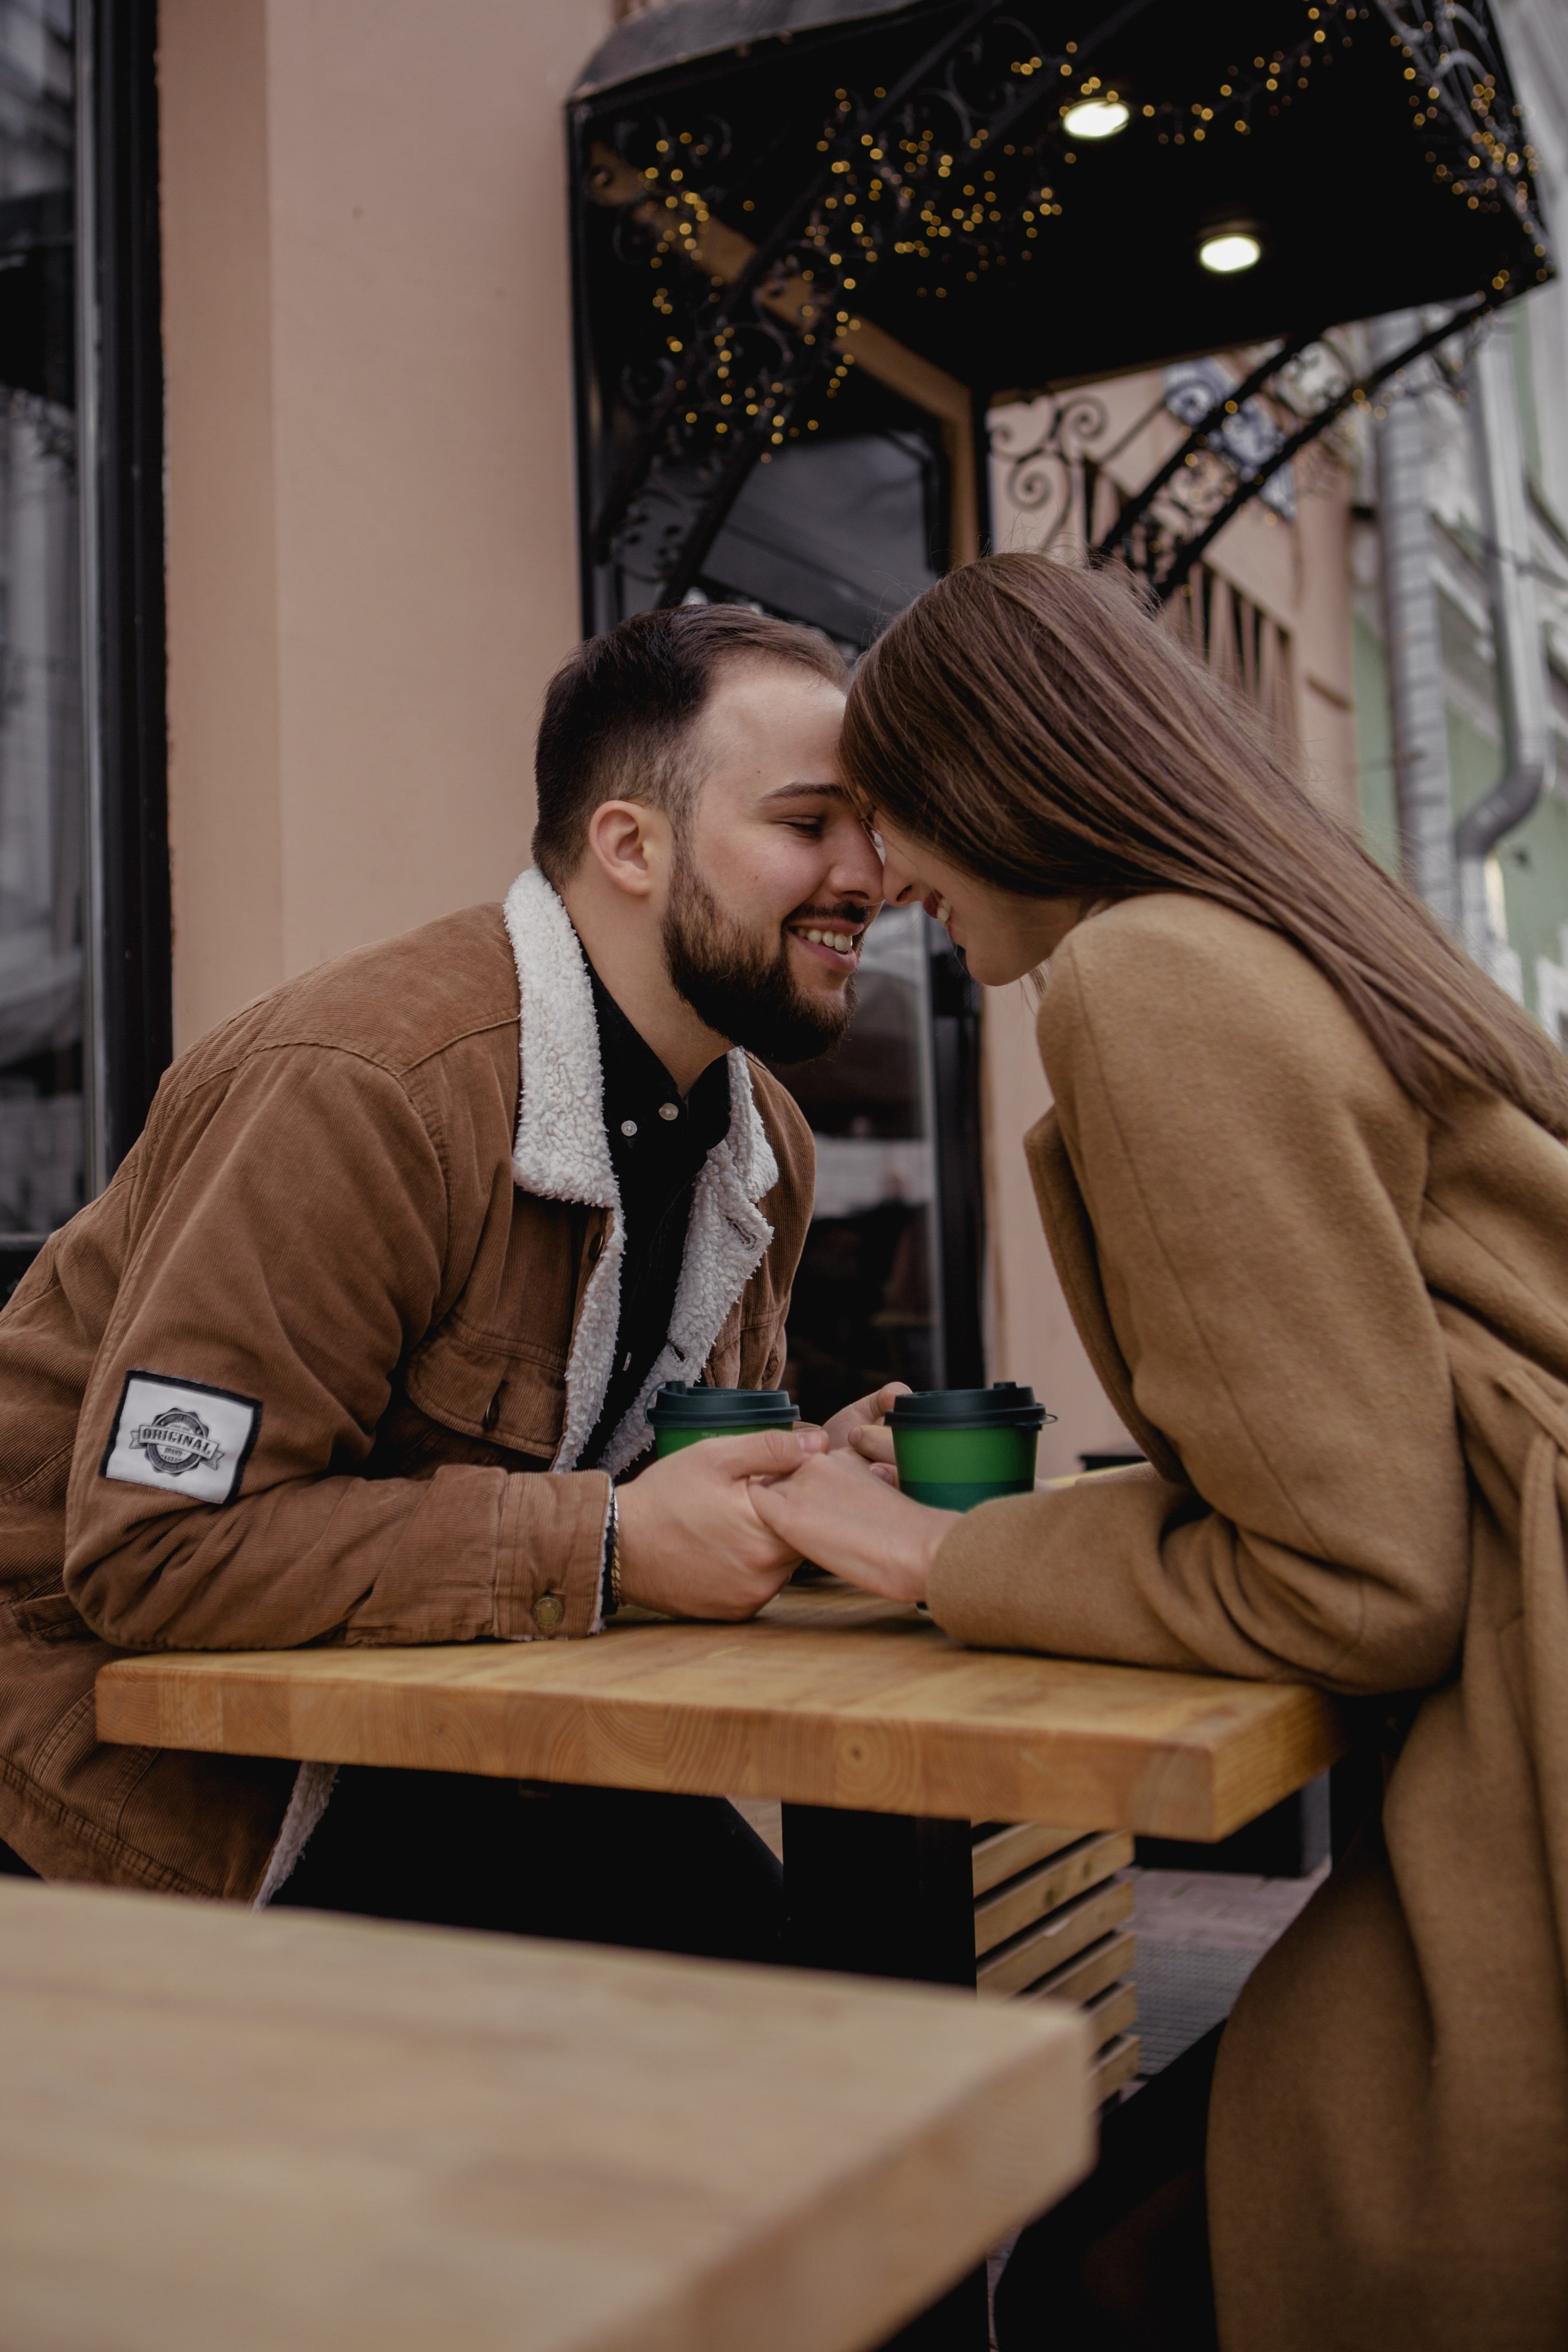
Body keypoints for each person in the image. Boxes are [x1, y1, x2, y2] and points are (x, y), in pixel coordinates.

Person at [752, 552, 1568, 2352]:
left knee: (1107, 2275)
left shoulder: (1154, 978)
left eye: (886, 816)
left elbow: (1353, 1581)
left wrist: (925, 1555)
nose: (878, 883)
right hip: (1524, 1727)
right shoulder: (1308, 928)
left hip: (1533, 1794)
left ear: (1003, 775)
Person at [0, 601, 888, 1957]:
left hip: (467, 1724)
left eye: (870, 827)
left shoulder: (755, 1141)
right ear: (629, 846)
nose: (868, 873)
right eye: (808, 823)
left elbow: (640, 1474)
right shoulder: (361, 1093)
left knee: (836, 2015)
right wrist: (603, 1543)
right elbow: (159, 1545)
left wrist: (800, 1478)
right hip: (137, 1787)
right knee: (762, 2036)